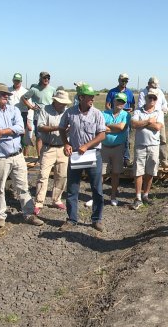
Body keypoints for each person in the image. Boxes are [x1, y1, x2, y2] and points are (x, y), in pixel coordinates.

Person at [0, 83, 44, 228]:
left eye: (7, 94)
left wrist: (4, 132)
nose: (6, 96)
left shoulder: (14, 110)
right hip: (0, 157)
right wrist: (12, 131)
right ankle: (0, 215)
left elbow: (20, 128)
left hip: (17, 155)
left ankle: (28, 214)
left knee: (23, 185)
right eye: (3, 94)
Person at [58, 83, 106, 232]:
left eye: (93, 97)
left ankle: (97, 219)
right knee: (72, 188)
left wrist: (87, 145)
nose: (92, 99)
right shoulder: (70, 113)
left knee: (97, 189)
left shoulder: (97, 113)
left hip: (93, 154)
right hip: (76, 155)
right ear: (81, 97)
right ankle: (72, 219)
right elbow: (61, 129)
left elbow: (102, 134)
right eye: (90, 97)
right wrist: (66, 144)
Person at [33, 90, 71, 215]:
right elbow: (40, 126)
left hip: (62, 148)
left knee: (61, 175)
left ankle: (57, 199)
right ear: (55, 101)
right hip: (48, 147)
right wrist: (58, 128)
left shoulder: (67, 112)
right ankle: (39, 202)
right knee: (43, 175)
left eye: (65, 103)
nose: (64, 105)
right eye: (61, 103)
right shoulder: (45, 110)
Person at [130, 87, 164, 210]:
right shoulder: (138, 111)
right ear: (146, 98)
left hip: (154, 145)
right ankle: (138, 197)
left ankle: (146, 195)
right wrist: (149, 121)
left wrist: (144, 123)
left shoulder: (159, 112)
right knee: (138, 171)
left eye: (154, 98)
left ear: (156, 100)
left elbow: (158, 127)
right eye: (150, 97)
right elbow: (133, 124)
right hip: (140, 145)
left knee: (150, 171)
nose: (151, 100)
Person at [101, 92, 131, 206]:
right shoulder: (104, 113)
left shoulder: (126, 115)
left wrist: (108, 126)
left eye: (123, 102)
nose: (120, 103)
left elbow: (121, 127)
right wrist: (114, 128)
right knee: (100, 173)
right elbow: (100, 127)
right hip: (104, 147)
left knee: (115, 173)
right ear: (114, 101)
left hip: (118, 148)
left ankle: (113, 196)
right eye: (118, 100)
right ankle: (97, 196)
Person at [22, 71, 56, 161]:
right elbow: (24, 98)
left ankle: (49, 156)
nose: (46, 79)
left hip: (50, 116)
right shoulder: (34, 89)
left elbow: (56, 100)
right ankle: (40, 157)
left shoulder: (52, 89)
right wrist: (31, 106)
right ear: (40, 78)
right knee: (39, 136)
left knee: (51, 135)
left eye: (48, 78)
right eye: (44, 78)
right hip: (38, 117)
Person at [137, 77, 168, 169]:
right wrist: (148, 120)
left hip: (159, 119)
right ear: (148, 84)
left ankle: (164, 161)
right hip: (147, 119)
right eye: (153, 86)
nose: (155, 88)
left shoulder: (159, 92)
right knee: (147, 139)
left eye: (156, 86)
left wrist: (165, 109)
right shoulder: (143, 93)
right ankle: (147, 161)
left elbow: (164, 103)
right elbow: (140, 106)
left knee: (163, 140)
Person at [105, 73, 136, 168]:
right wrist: (111, 112)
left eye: (126, 81)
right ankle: (110, 158)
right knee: (111, 135)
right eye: (123, 80)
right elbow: (107, 105)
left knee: (125, 137)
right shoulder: (112, 92)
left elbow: (133, 105)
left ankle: (125, 158)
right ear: (118, 80)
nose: (124, 82)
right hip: (113, 115)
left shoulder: (130, 92)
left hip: (125, 117)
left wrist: (130, 110)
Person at [8, 73, 32, 156]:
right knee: (11, 133)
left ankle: (22, 154)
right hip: (10, 114)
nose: (16, 82)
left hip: (23, 114)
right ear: (12, 80)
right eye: (15, 80)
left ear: (21, 81)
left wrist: (29, 121)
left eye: (18, 81)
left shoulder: (25, 92)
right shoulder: (8, 91)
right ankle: (12, 151)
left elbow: (30, 107)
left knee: (22, 134)